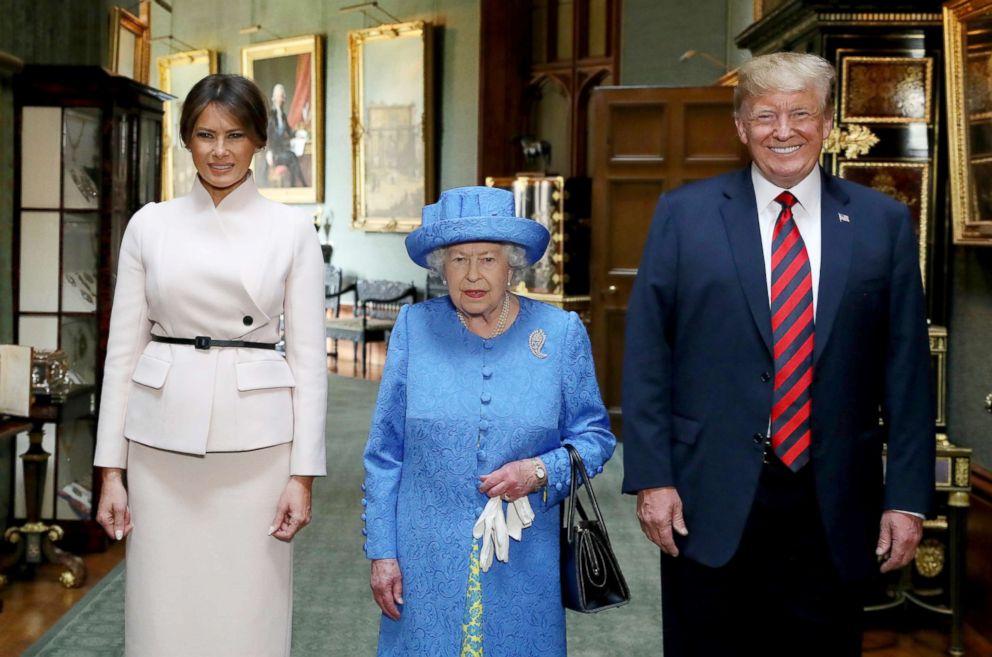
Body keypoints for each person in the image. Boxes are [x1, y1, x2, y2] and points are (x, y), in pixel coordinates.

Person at [622, 52, 935, 657]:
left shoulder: (883, 222)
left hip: (835, 500)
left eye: (801, 113)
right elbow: (647, 356)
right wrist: (653, 477)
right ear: (741, 127)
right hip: (707, 494)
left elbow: (908, 374)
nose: (783, 130)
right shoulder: (684, 216)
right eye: (765, 115)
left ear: (827, 124)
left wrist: (905, 497)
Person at [93, 74, 327, 657]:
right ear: (186, 141)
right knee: (161, 609)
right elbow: (121, 353)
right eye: (204, 135)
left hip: (256, 448)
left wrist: (302, 475)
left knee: (249, 610)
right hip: (159, 442)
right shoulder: (150, 224)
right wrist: (110, 472)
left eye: (234, 135)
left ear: (258, 142)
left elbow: (308, 360)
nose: (219, 151)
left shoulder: (291, 229)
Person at [362, 186, 616, 656]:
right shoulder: (413, 329)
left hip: (525, 560)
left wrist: (540, 471)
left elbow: (596, 437)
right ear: (441, 266)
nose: (472, 275)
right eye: (458, 260)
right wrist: (382, 551)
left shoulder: (560, 334)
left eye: (487, 259)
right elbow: (384, 452)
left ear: (512, 265)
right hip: (425, 558)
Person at [265, 83, 306, 187]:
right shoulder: (270, 115)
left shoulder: (282, 116)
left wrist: (298, 134)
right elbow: (267, 135)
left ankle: (294, 187)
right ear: (275, 98)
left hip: (281, 151)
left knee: (293, 161)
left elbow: (289, 131)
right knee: (292, 157)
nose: (283, 99)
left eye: (283, 96)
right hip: (274, 154)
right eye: (281, 96)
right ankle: (303, 184)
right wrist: (268, 151)